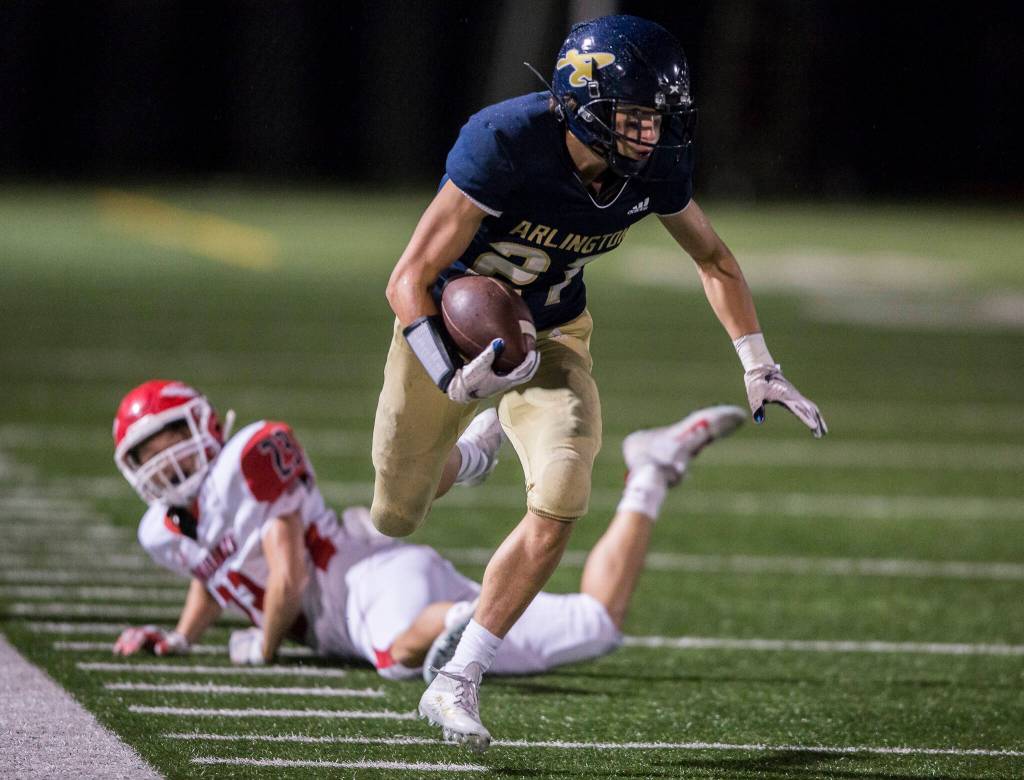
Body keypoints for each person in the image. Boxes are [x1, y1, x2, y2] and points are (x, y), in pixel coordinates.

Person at [370, 14, 827, 749]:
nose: (652, 135)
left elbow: (714, 259)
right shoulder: (505, 141)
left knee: (563, 493)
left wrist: (759, 364)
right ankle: (474, 452)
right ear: (583, 103)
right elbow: (409, 278)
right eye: (637, 116)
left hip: (552, 334)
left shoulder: (653, 170)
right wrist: (449, 373)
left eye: (659, 117)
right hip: (446, 332)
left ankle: (458, 679)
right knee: (398, 511)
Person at [109, 379, 744, 683]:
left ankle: (455, 618)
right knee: (597, 624)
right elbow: (211, 570)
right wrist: (183, 636)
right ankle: (650, 471)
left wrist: (264, 646)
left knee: (396, 653)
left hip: (357, 588)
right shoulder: (164, 527)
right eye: (148, 455)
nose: (166, 464)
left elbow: (288, 574)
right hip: (385, 568)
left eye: (174, 446)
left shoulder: (243, 461)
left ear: (205, 429)